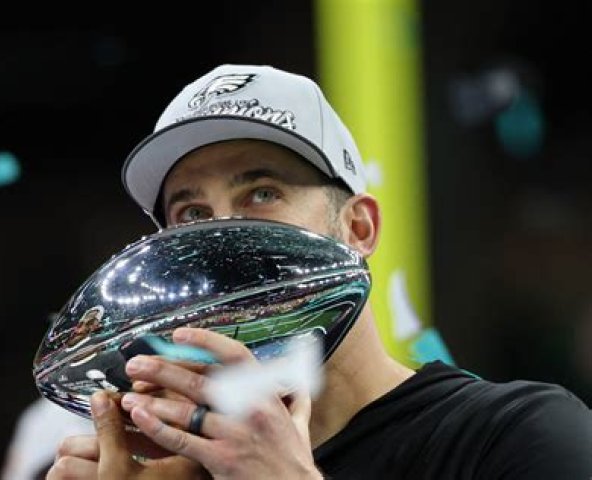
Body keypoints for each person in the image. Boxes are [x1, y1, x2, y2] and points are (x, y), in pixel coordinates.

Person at [46, 64, 592, 479]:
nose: (222, 239)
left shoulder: (516, 435)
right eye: (192, 215)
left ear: (359, 227)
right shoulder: (176, 470)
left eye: (262, 193)